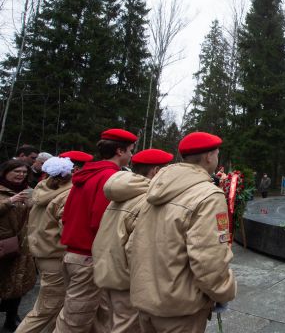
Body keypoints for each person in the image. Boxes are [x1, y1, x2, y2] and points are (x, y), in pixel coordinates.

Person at [130, 132, 237, 333]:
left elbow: (133, 243)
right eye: (217, 153)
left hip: (146, 300)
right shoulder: (208, 195)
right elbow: (208, 260)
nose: (217, 157)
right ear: (209, 157)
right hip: (180, 309)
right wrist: (223, 292)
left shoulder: (156, 187)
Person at [55, 128, 137, 333]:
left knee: (98, 319)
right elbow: (103, 223)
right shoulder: (111, 178)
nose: (131, 155)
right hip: (89, 258)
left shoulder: (87, 174)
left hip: (74, 254)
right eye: (130, 150)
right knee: (73, 324)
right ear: (119, 151)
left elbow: (65, 215)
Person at [92, 149, 173, 333]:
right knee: (127, 327)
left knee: (113, 323)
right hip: (128, 280)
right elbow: (137, 247)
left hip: (109, 270)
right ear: (156, 171)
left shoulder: (122, 192)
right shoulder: (147, 199)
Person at [17, 157, 75, 333]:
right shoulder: (66, 196)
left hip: (43, 253)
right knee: (45, 309)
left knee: (53, 307)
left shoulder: (42, 188)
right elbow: (67, 229)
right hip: (55, 255)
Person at [0, 160, 37, 332]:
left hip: (21, 245)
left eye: (24, 172)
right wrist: (10, 201)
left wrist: (33, 204)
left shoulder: (27, 190)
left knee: (18, 283)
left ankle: (11, 318)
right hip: (3, 244)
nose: (21, 175)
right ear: (5, 172)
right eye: (17, 171)